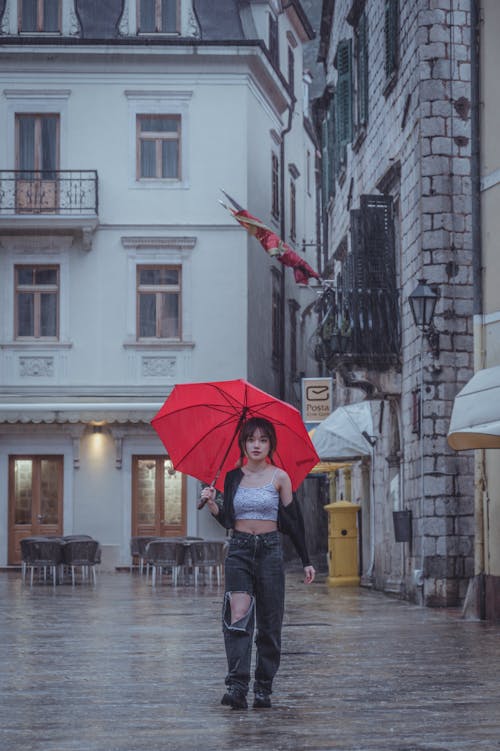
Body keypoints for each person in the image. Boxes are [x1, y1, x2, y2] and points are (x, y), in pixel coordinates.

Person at [200, 416, 316, 711]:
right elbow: (227, 520)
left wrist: (306, 560)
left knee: (269, 624)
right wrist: (213, 503)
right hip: (239, 550)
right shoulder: (232, 477)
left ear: (270, 445)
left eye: (263, 440)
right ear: (243, 442)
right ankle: (237, 687)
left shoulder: (280, 477)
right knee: (237, 619)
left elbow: (294, 522)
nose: (257, 445)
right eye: (252, 439)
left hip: (270, 552)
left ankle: (263, 689)